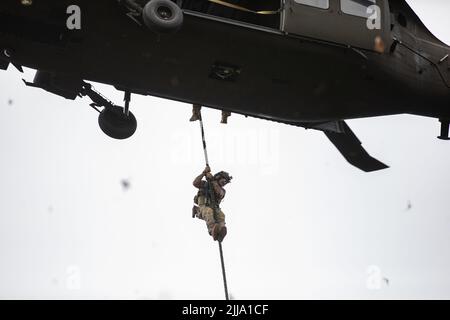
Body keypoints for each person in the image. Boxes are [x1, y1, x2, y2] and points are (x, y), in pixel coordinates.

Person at [192, 165, 232, 242]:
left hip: (214, 208)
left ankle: (220, 231)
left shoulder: (222, 191)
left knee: (221, 215)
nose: (224, 183)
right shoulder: (206, 184)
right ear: (218, 178)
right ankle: (212, 230)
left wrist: (212, 180)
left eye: (225, 183)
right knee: (208, 211)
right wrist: (204, 173)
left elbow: (219, 193)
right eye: (223, 181)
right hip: (203, 207)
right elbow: (195, 183)